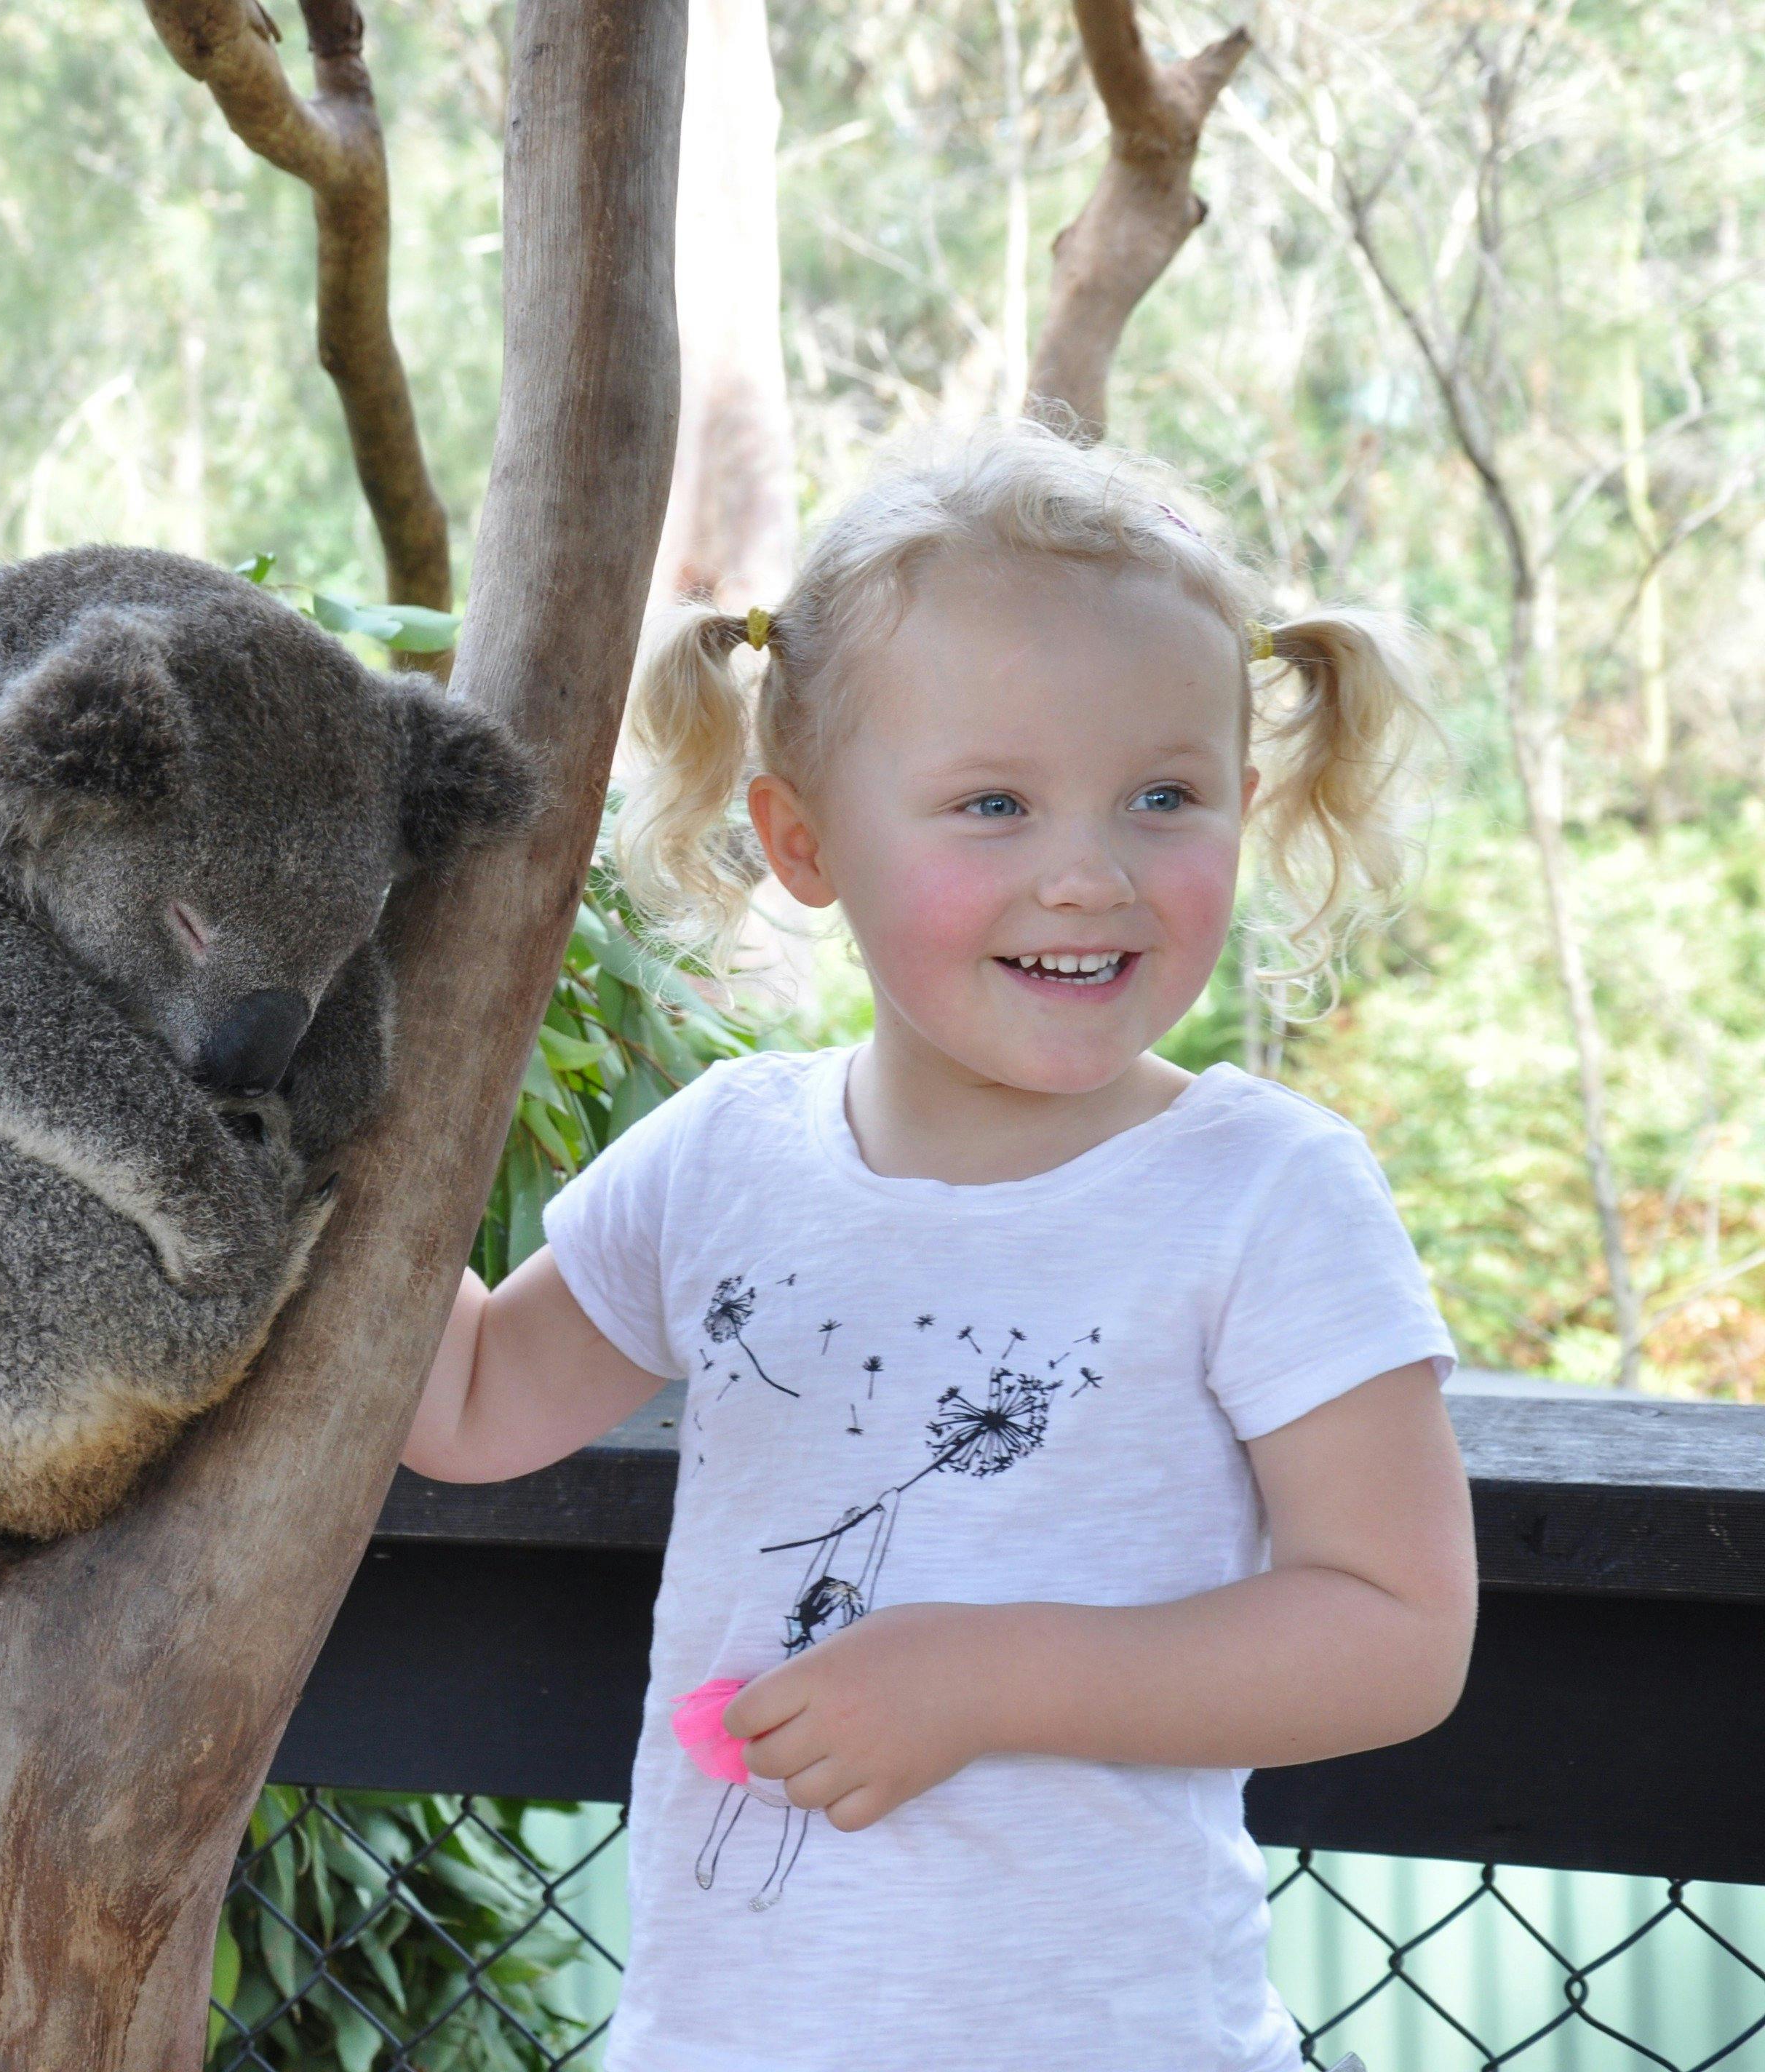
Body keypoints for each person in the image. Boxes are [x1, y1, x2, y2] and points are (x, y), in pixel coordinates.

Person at [402, 421, 1475, 2071]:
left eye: (1161, 797)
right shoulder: (723, 1155)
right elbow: (466, 1399)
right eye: (990, 802)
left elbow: (1396, 1625)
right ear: (804, 842)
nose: (1087, 872)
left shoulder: (1263, 1191)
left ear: (1241, 806)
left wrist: (990, 1675)